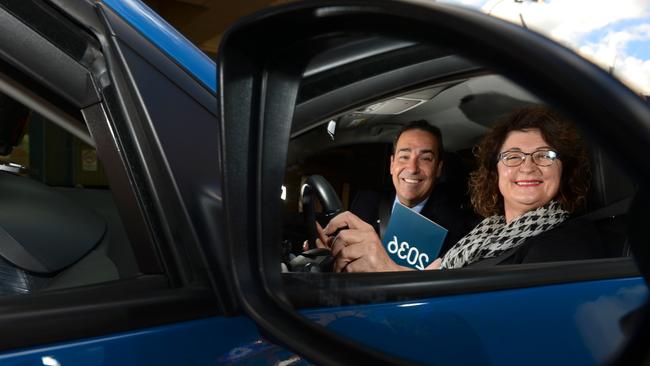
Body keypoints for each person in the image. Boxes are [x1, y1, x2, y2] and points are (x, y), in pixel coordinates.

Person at [317, 106, 608, 272]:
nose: (528, 166)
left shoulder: (568, 243)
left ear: (563, 169)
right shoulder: (485, 232)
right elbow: (429, 280)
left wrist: (381, 265)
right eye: (513, 156)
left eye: (544, 155)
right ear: (495, 170)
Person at [349, 120, 476, 256]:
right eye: (404, 157)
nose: (412, 168)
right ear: (392, 164)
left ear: (438, 169)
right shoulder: (365, 201)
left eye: (425, 158)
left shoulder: (456, 227)